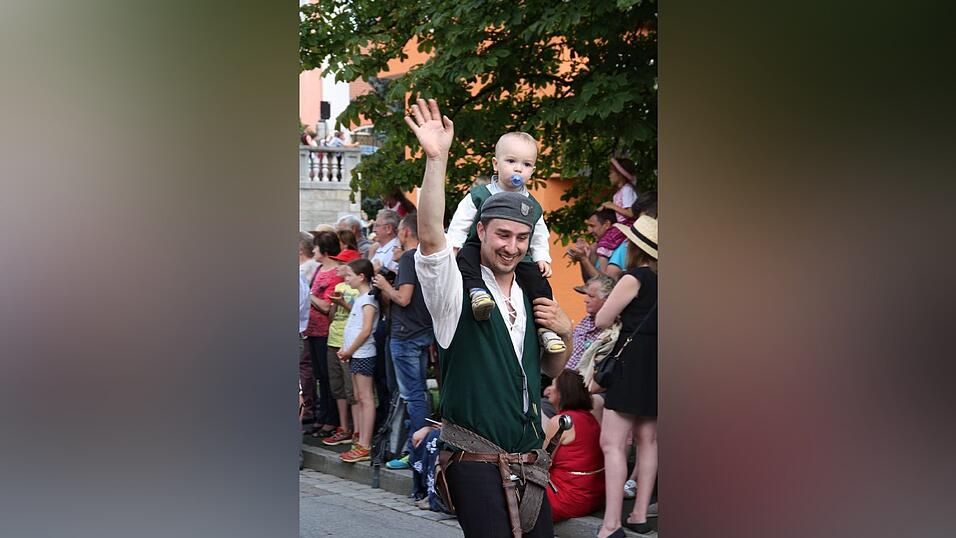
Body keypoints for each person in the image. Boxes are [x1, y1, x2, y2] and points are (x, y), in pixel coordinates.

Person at [407, 98, 573, 538]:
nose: (512, 246)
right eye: (502, 234)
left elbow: (549, 369)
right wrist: (436, 159)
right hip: (475, 461)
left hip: (531, 463)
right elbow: (430, 237)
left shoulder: (530, 292)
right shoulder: (453, 291)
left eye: (521, 237)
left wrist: (566, 334)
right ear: (481, 231)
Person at [445, 131, 565, 355]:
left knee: (539, 283)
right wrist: (453, 245)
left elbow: (539, 233)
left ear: (533, 170)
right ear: (495, 164)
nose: (518, 168)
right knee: (466, 260)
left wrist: (542, 257)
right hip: (478, 247)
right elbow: (461, 221)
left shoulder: (532, 205)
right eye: (511, 161)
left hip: (521, 257)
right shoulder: (480, 195)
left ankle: (546, 329)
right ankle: (477, 292)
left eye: (526, 164)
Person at [592, 214, 658, 538]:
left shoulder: (634, 279)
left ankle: (611, 524)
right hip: (660, 362)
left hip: (631, 361)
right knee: (649, 441)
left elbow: (602, 319)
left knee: (613, 443)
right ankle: (640, 516)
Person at [372, 213, 435, 479]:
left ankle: (415, 451)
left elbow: (404, 298)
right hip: (423, 332)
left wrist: (385, 284)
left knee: (413, 394)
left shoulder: (410, 257)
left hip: (405, 334)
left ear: (406, 232)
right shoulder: (426, 258)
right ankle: (419, 447)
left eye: (399, 229)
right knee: (418, 391)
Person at [543, 370, 605, 522]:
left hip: (567, 498)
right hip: (595, 495)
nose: (547, 390)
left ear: (563, 392)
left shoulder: (560, 422)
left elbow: (542, 463)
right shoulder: (589, 417)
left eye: (552, 385)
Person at [336, 258, 380, 463]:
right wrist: (346, 350)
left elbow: (365, 331)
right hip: (355, 353)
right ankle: (360, 439)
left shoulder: (369, 300)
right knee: (359, 397)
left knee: (365, 398)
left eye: (349, 275)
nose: (346, 279)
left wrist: (349, 350)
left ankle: (365, 443)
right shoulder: (362, 298)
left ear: (361, 277)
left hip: (362, 353)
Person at [306, 231, 346, 438]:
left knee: (329, 377)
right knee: (319, 375)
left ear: (325, 250)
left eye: (316, 247)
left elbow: (326, 304)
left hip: (325, 331)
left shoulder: (335, 274)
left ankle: (332, 419)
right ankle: (322, 416)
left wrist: (309, 295)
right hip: (312, 330)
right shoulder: (319, 269)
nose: (313, 251)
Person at [322, 249, 362, 447]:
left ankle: (356, 430)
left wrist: (343, 303)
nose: (338, 266)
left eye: (342, 263)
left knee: (351, 388)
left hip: (349, 342)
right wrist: (333, 306)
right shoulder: (338, 285)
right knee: (336, 386)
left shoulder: (359, 289)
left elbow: (360, 314)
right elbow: (331, 315)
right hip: (333, 338)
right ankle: (343, 427)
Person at [596, 158, 639, 260]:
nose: (609, 175)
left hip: (628, 224)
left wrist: (612, 206)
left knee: (605, 242)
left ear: (619, 174)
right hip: (621, 225)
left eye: (611, 172)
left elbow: (631, 213)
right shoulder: (618, 194)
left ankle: (604, 273)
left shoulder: (627, 190)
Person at [566, 209, 623, 283]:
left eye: (592, 226)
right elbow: (589, 282)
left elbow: (607, 285)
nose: (589, 230)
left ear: (607, 224)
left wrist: (584, 259)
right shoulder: (596, 247)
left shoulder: (621, 247)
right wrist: (583, 258)